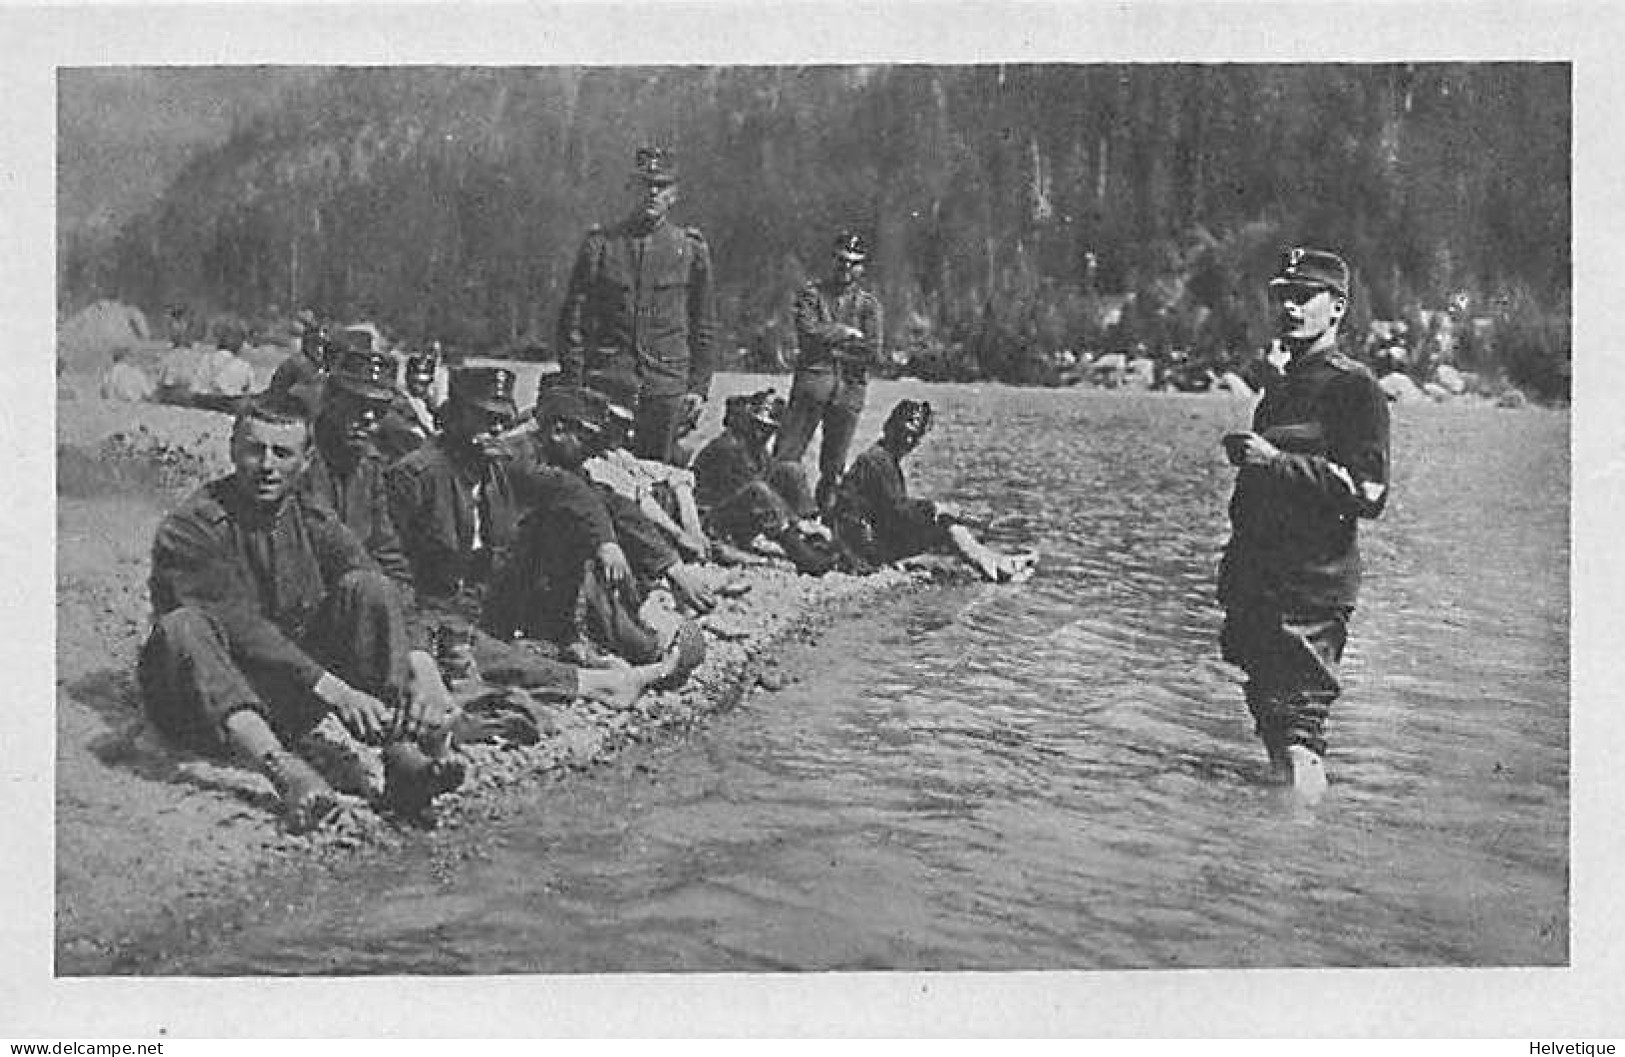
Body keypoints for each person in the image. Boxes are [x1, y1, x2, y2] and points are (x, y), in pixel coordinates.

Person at [137, 393, 456, 833]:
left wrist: (423, 665)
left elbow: (379, 582)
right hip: (199, 705)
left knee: (368, 588)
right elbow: (241, 627)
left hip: (281, 696)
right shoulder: (192, 525)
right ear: (233, 451)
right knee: (183, 625)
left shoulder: (311, 518)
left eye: (282, 453)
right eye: (255, 450)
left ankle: (401, 757)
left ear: (305, 461)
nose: (267, 465)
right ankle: (287, 774)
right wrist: (335, 690)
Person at [387, 367, 688, 705]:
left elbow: (577, 492)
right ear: (454, 416)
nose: (497, 429)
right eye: (485, 418)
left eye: (502, 419)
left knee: (564, 530)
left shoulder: (496, 468)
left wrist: (610, 543)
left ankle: (582, 650)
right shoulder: (417, 475)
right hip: (434, 612)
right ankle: (598, 683)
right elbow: (393, 569)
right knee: (484, 656)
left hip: (483, 605)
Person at [1218, 247, 1390, 800]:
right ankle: (1282, 858)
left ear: (1337, 308)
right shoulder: (1283, 388)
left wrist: (1277, 462)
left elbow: (1370, 491)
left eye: (1304, 297)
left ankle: (1297, 857)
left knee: (1298, 731)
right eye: (1282, 297)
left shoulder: (1353, 385)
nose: (1289, 308)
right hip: (1261, 582)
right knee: (1274, 723)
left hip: (1311, 588)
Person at [504, 385, 712, 665]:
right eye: (586, 440)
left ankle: (581, 634)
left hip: (520, 571)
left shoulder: (557, 453)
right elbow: (571, 492)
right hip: (487, 582)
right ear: (558, 430)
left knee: (594, 527)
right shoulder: (516, 453)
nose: (590, 452)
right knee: (573, 530)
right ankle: (578, 637)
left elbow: (613, 503)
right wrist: (607, 543)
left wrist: (672, 567)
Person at [556, 145, 716, 465]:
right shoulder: (602, 246)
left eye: (662, 186)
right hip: (608, 383)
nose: (653, 193)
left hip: (666, 386)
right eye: (645, 184)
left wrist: (698, 387)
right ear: (631, 188)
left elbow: (704, 324)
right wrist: (576, 380)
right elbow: (573, 322)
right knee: (599, 472)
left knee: (656, 476)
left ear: (675, 194)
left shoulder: (690, 249)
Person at [832, 399, 1031, 582]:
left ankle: (994, 561)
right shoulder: (878, 461)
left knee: (947, 526)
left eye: (914, 436)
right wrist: (935, 509)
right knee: (945, 525)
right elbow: (896, 511)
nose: (910, 442)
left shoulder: (880, 458)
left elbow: (891, 509)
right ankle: (994, 569)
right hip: (861, 546)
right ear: (891, 429)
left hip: (859, 539)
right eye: (906, 434)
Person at [774, 231, 885, 514]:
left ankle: (828, 522)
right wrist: (846, 333)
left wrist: (830, 346)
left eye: (854, 263)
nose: (846, 269)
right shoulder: (812, 295)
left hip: (849, 390)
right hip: (812, 385)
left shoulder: (869, 305)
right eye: (841, 261)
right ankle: (781, 516)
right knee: (787, 454)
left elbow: (873, 351)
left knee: (834, 465)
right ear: (832, 260)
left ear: (862, 267)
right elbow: (807, 331)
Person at [692, 389, 844, 575]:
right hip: (711, 523)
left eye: (768, 429)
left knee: (790, 469)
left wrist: (804, 520)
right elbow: (758, 492)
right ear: (747, 420)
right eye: (757, 425)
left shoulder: (755, 448)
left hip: (737, 513)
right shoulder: (728, 447)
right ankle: (803, 555)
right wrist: (795, 522)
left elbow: (771, 481)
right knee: (759, 490)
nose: (761, 433)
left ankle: (814, 537)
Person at [301, 347, 415, 588]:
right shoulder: (299, 459)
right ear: (331, 400)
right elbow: (330, 542)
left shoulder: (369, 468)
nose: (369, 418)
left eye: (379, 410)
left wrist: (400, 596)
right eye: (357, 404)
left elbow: (386, 548)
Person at [191, 321, 258, 413]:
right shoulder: (245, 367)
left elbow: (195, 389)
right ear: (239, 343)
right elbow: (251, 396)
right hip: (230, 410)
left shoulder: (206, 360)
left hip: (204, 406)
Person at [267, 309, 332, 399]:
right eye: (314, 343)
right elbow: (275, 395)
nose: (319, 348)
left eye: (322, 344)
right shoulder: (291, 365)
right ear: (305, 343)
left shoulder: (330, 366)